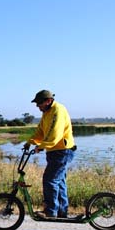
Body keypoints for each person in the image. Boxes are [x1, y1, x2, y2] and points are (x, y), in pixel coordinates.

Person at [26, 90, 77, 218]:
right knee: (59, 182)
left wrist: (41, 146)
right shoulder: (46, 113)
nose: (38, 106)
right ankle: (61, 211)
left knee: (50, 180)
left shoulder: (58, 110)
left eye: (39, 103)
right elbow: (41, 131)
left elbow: (54, 134)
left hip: (62, 151)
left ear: (48, 101)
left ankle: (51, 211)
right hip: (54, 151)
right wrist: (30, 142)